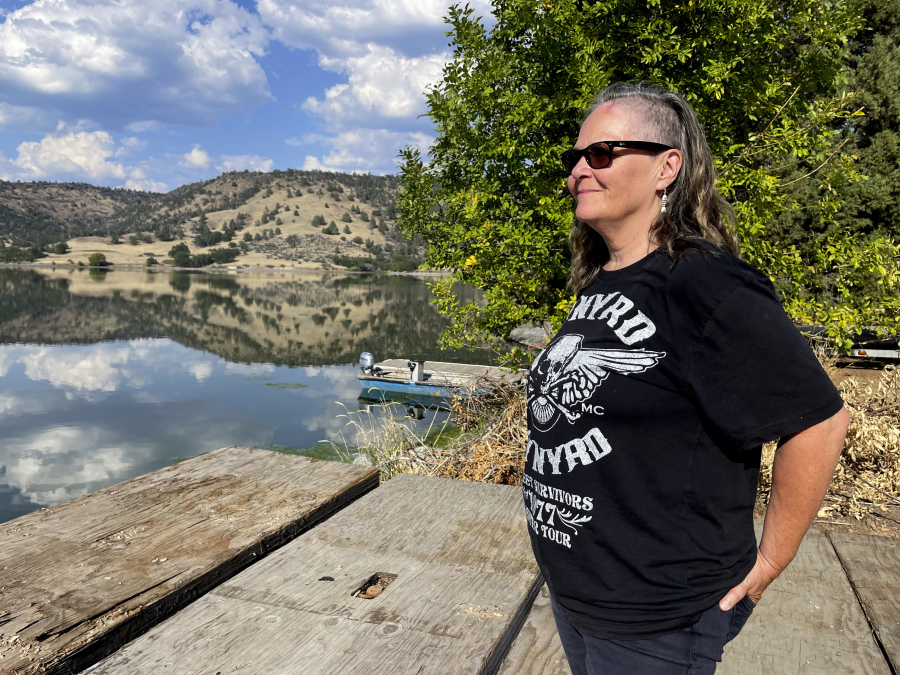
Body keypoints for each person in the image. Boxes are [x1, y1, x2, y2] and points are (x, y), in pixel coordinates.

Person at [522, 82, 850, 674]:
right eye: (574, 157)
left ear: (666, 167)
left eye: (600, 154)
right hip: (581, 596)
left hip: (657, 617)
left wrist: (771, 561)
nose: (578, 170)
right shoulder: (605, 279)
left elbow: (820, 422)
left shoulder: (704, 283)